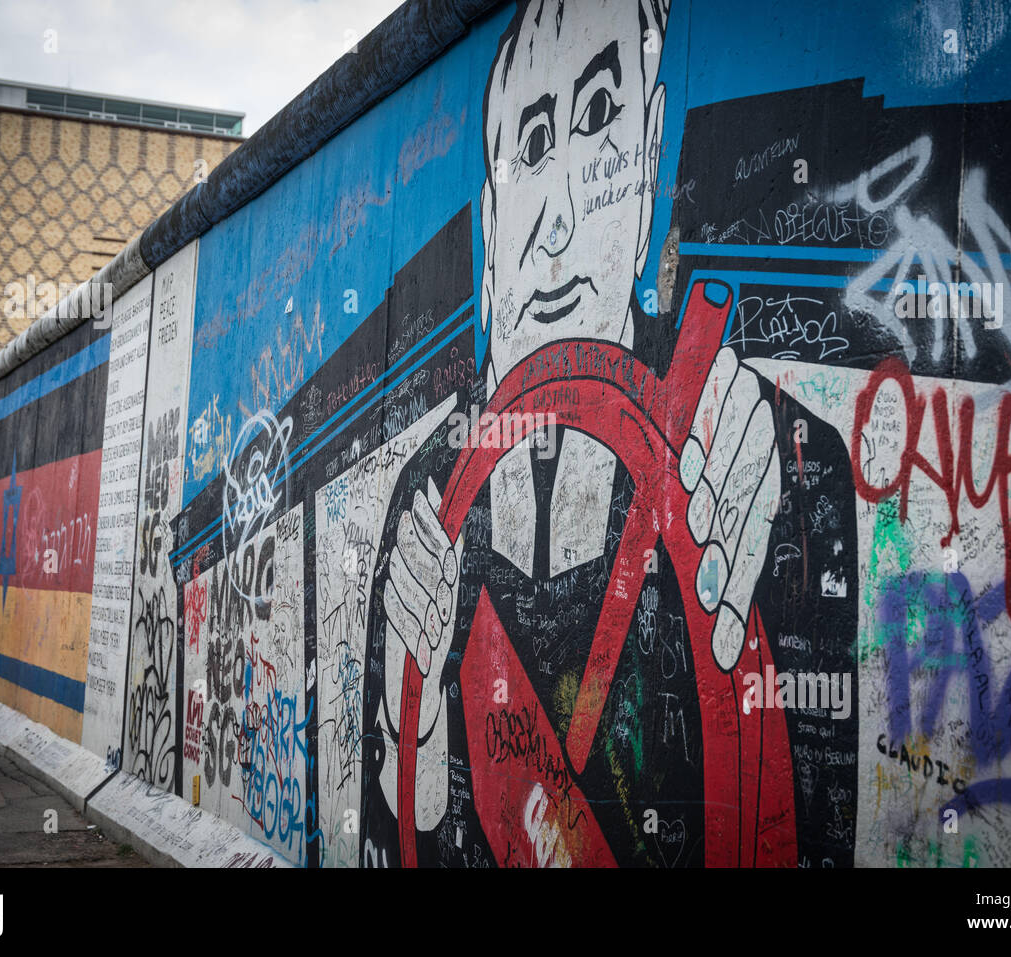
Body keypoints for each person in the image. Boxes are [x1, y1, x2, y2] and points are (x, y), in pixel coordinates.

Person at [362, 0, 857, 867]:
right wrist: (421, 716)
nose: (555, 223)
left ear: (651, 151)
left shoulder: (769, 461)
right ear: (490, 224)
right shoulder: (429, 505)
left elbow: (811, 832)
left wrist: (778, 550)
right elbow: (389, 836)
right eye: (531, 147)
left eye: (598, 120)